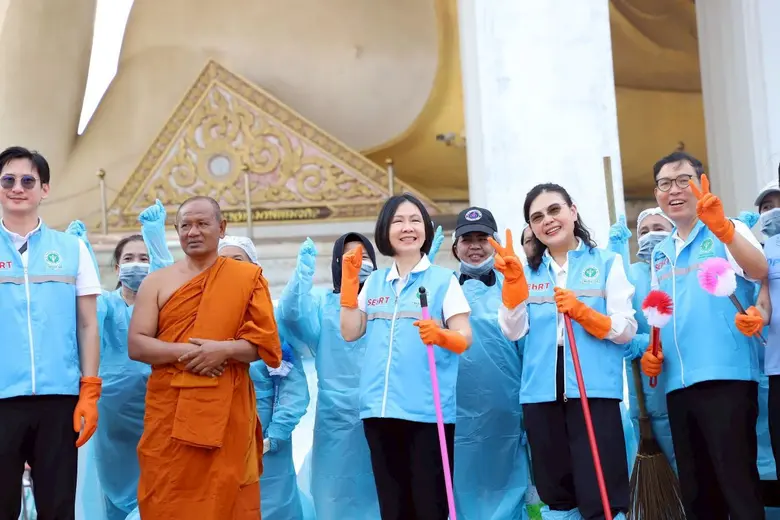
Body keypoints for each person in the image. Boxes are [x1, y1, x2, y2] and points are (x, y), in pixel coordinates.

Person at [128, 196, 282, 519]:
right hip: (170, 414)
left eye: (202, 224)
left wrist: (223, 350)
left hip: (227, 411)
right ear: (177, 231)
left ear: (221, 228)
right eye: (185, 225)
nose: (193, 232)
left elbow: (265, 346)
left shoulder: (246, 278)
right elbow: (137, 345)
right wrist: (191, 353)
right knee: (167, 496)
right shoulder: (156, 282)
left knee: (226, 495)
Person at [496, 183, 637, 520]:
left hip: (593, 387)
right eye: (537, 217)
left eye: (554, 210)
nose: (547, 220)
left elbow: (626, 329)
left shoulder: (607, 263)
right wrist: (513, 290)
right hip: (541, 389)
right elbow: (513, 331)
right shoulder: (525, 272)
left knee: (601, 486)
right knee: (555, 486)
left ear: (573, 211)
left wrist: (585, 314)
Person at [641, 151, 767, 519]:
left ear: (700, 184)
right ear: (657, 193)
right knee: (697, 495)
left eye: (684, 181)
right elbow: (660, 310)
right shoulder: (660, 253)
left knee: (737, 487)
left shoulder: (726, 229)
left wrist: (724, 230)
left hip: (726, 377)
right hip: (678, 384)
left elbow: (759, 270)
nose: (674, 190)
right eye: (665, 184)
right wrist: (652, 351)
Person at [340, 193, 472, 520]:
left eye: (415, 220)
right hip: (380, 410)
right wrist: (348, 288)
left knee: (430, 506)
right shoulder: (375, 282)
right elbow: (350, 331)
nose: (407, 228)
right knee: (393, 507)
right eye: (398, 221)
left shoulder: (443, 281)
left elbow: (464, 337)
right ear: (386, 230)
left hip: (428, 413)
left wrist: (441, 335)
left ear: (425, 229)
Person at [0, 146, 102, 520]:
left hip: (59, 399)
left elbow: (88, 323)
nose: (17, 188)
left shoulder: (72, 249)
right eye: (8, 180)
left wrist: (89, 389)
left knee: (58, 507)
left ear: (44, 189)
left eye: (28, 180)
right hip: (1, 399)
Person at [66, 201, 174, 520]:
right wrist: (82, 254)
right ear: (116, 268)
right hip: (112, 413)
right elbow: (88, 313)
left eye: (144, 258)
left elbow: (171, 280)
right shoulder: (108, 305)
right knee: (112, 487)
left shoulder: (165, 306)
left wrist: (155, 236)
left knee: (162, 486)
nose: (136, 265)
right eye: (128, 259)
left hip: (159, 408)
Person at [276, 232, 382, 520]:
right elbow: (292, 315)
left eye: (364, 256)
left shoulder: (384, 302)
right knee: (334, 488)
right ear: (337, 263)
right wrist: (302, 275)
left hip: (382, 411)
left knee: (381, 486)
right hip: (336, 416)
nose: (357, 262)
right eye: (349, 257)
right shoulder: (323, 303)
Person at [218, 234, 311, 520]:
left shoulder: (269, 322)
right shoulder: (203, 320)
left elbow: (292, 385)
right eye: (223, 262)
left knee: (271, 505)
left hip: (266, 438)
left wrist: (276, 434)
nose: (230, 268)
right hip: (217, 435)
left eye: (238, 260)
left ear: (255, 268)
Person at [446, 206, 529, 519]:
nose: (475, 246)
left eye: (483, 238)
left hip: (507, 408)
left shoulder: (514, 287)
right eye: (467, 239)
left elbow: (527, 346)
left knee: (510, 479)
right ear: (455, 246)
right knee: (462, 481)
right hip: (457, 411)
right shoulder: (442, 289)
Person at [607, 208, 676, 471]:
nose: (650, 235)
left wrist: (655, 342)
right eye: (644, 231)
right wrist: (615, 252)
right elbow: (616, 313)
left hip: (680, 372)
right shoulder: (632, 274)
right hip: (642, 381)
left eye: (658, 228)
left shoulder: (678, 271)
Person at [742, 182, 780, 515]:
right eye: (766, 207)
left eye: (778, 204)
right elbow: (765, 303)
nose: (773, 211)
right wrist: (757, 316)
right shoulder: (765, 252)